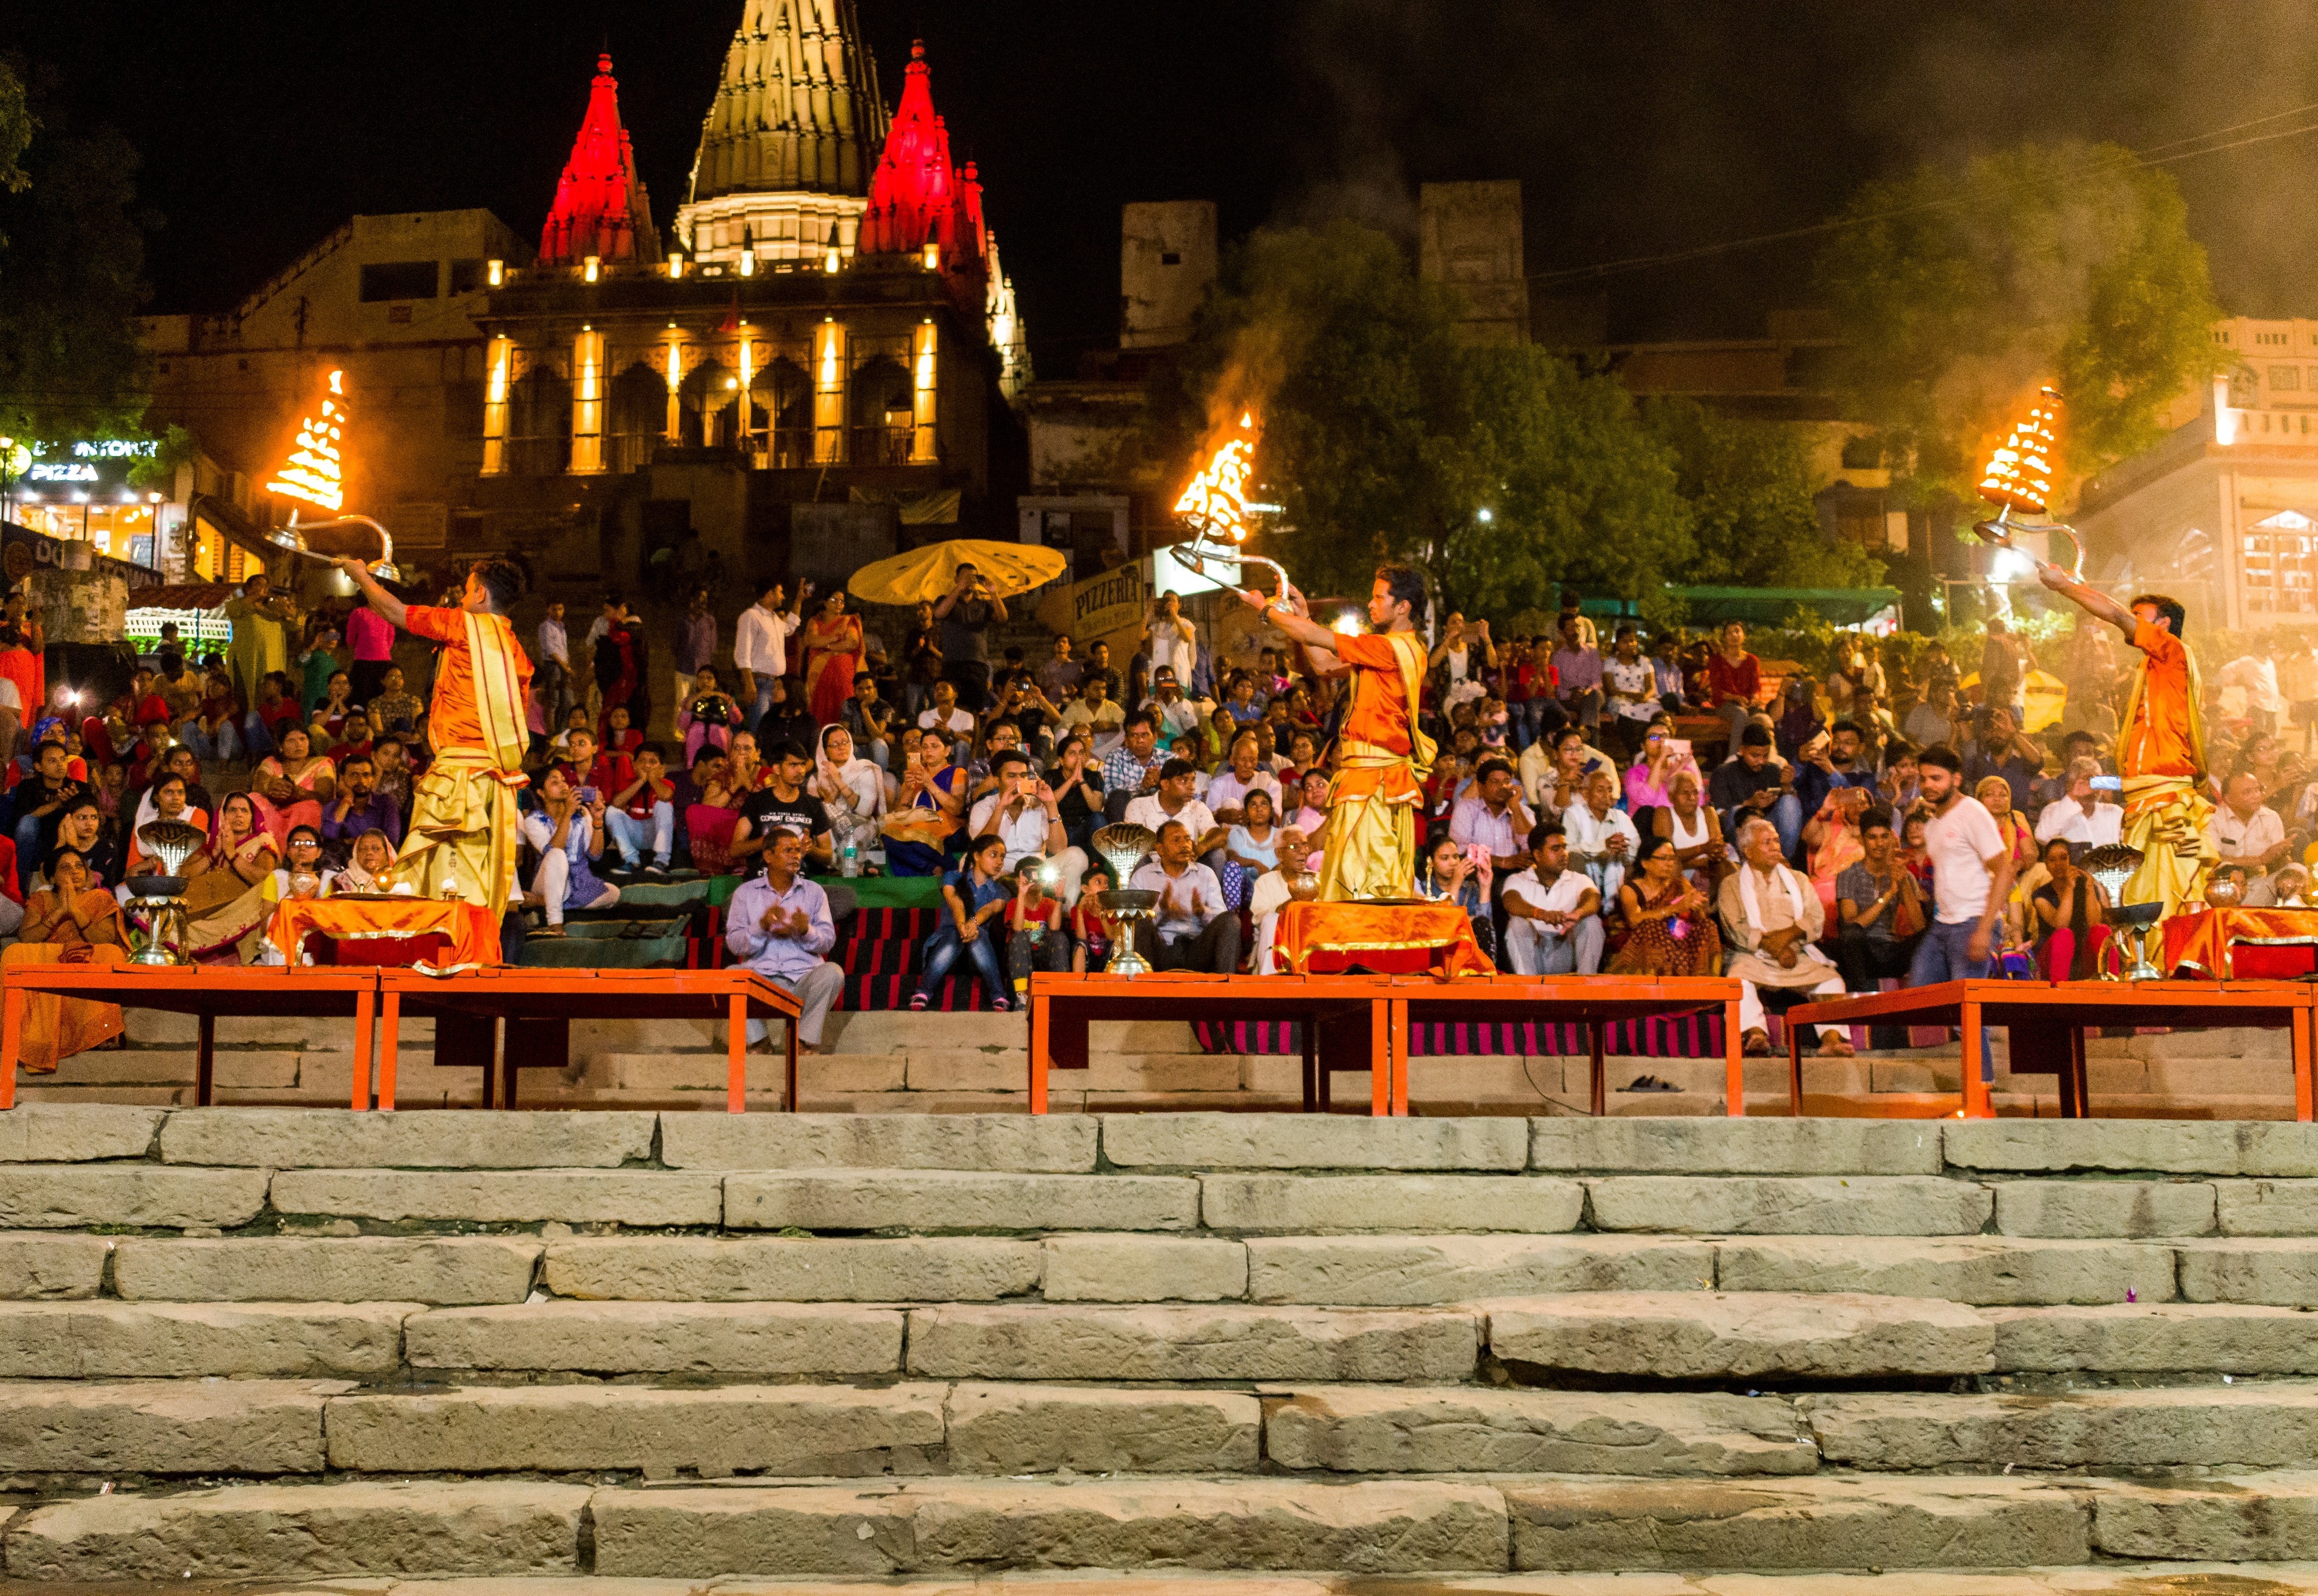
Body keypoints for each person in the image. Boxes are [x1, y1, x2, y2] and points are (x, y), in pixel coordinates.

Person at [337, 555, 534, 915]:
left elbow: (395, 611)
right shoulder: (517, 653)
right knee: (473, 877)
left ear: (481, 595)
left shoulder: (462, 625)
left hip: (457, 779)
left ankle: (451, 945)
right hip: (493, 783)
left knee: (449, 879)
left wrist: (360, 577)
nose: (462, 599)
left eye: (468, 591)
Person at [1237, 563, 1434, 901]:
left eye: (1379, 598)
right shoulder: (1390, 649)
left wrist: (1265, 609)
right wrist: (1301, 615)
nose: (1371, 604)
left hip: (1374, 780)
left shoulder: (1390, 648)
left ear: (1404, 606)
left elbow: (1316, 638)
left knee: (1367, 881)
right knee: (1351, 873)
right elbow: (1324, 665)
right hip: (1363, 775)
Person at [2035, 571, 2212, 919]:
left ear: (2163, 625)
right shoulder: (2151, 673)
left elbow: (2114, 614)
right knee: (2144, 899)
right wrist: (2098, 783)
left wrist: (2064, 586)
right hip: (2145, 800)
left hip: (2166, 803)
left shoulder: (2171, 652)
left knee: (2170, 901)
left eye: (2140, 617)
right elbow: (2131, 778)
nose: (2131, 623)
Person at [1718, 815, 1853, 1058]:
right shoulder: (1731, 884)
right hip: (1753, 957)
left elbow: (1816, 918)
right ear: (1748, 852)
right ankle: (1755, 1034)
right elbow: (1735, 928)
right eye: (1767, 842)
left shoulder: (1799, 879)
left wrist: (1788, 941)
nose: (1775, 847)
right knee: (1738, 983)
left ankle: (1831, 1040)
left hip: (1797, 953)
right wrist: (1776, 948)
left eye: (1776, 841)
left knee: (1832, 981)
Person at [718, 826, 845, 1055]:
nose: (796, 856)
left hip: (803, 979)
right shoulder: (745, 894)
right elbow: (734, 944)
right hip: (762, 981)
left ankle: (803, 1042)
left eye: (798, 850)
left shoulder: (815, 892)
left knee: (833, 973)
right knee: (731, 975)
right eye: (788, 851)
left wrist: (806, 930)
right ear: (768, 856)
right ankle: (759, 1041)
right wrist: (762, 927)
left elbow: (827, 942)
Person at [3, 845, 128, 1072]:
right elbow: (27, 938)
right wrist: (60, 911)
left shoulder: (101, 898)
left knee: (111, 954)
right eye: (65, 868)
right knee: (14, 953)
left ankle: (98, 1033)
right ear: (52, 877)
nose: (74, 872)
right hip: (50, 961)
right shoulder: (42, 898)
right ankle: (25, 1036)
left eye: (79, 866)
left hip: (86, 957)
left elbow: (106, 939)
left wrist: (76, 912)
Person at [1908, 744, 2015, 1003]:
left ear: (1956, 779)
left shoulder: (1972, 813)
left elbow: (2004, 871)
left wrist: (1985, 930)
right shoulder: (1933, 824)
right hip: (1942, 924)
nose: (1928, 785)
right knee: (1920, 999)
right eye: (1923, 779)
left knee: (1968, 1010)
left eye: (1936, 778)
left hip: (1973, 922)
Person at [913, 833, 1015, 1009]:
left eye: (1002, 857)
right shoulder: (953, 877)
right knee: (955, 934)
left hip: (978, 957)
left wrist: (972, 924)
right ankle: (923, 992)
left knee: (978, 934)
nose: (999, 862)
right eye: (993, 855)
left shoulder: (1001, 891)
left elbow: (990, 909)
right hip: (946, 951)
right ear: (977, 856)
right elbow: (955, 901)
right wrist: (962, 925)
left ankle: (998, 996)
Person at [1834, 807, 1926, 997]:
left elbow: (1919, 927)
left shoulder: (1903, 875)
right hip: (1862, 951)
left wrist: (1902, 884)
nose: (1879, 844)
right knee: (1850, 935)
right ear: (1863, 841)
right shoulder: (1849, 875)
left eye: (1884, 837)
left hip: (1890, 951)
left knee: (1932, 934)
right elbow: (1852, 924)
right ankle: (1863, 1000)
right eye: (1873, 838)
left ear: (1891, 839)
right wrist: (1889, 893)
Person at [1128, 818, 1240, 973]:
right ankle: (1142, 984)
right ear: (1160, 849)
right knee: (1138, 921)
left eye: (1187, 839)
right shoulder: (1142, 876)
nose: (1185, 845)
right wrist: (1162, 911)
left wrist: (1201, 912)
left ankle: (1226, 984)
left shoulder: (1206, 873)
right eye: (1176, 840)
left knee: (1230, 921)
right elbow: (1133, 922)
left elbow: (1221, 920)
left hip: (1197, 948)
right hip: (1160, 950)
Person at [180, 791, 282, 958]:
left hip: (240, 910)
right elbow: (184, 875)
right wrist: (215, 853)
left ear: (252, 817)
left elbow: (265, 880)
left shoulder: (262, 843)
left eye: (244, 810)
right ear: (223, 815)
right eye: (233, 810)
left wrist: (232, 854)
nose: (239, 815)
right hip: (207, 908)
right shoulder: (210, 842)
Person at [520, 766, 619, 936]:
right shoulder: (533, 821)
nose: (563, 785)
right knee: (557, 855)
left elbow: (595, 855)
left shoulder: (582, 813)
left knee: (614, 893)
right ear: (541, 793)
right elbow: (554, 850)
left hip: (580, 880)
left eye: (564, 781)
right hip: (548, 880)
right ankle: (555, 924)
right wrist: (567, 813)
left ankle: (542, 901)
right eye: (555, 782)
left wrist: (597, 820)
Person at [1608, 834, 1720, 977]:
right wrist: (1674, 909)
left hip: (1678, 933)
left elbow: (1697, 913)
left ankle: (1705, 981)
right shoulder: (1630, 889)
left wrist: (1696, 908)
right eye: (1663, 858)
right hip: (1643, 940)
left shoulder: (1680, 884)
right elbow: (1634, 920)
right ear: (1645, 863)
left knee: (1708, 926)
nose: (1670, 864)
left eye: (1672, 858)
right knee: (1652, 927)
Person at [1501, 822, 1603, 975]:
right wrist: (1542, 914)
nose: (1564, 854)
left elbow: (1593, 899)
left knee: (1591, 921)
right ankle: (1528, 985)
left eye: (1564, 848)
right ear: (1538, 855)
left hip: (1565, 953)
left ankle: (1586, 983)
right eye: (1556, 849)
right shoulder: (1518, 879)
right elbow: (1511, 901)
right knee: (1517, 923)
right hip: (1535, 953)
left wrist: (1577, 914)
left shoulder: (1578, 879)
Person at [732, 739, 835, 872]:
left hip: (800, 881)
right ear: (777, 769)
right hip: (762, 879)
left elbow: (829, 856)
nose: (800, 770)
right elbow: (735, 850)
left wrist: (811, 849)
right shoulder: (756, 801)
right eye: (793, 765)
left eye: (802, 764)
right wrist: (765, 841)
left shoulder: (813, 805)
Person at [883, 725, 968, 876]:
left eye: (935, 746)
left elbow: (957, 809)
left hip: (949, 829)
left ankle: (951, 867)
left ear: (947, 751)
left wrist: (929, 783)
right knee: (888, 834)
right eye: (925, 747)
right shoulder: (916, 773)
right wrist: (909, 789)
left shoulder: (957, 772)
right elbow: (902, 813)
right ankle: (932, 868)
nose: (929, 751)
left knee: (918, 839)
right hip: (918, 826)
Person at [1708, 724, 1800, 861]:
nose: (1761, 761)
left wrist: (1786, 785)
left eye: (1765, 756)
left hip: (1769, 827)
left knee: (1790, 801)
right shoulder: (1724, 773)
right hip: (1738, 830)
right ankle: (1749, 858)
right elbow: (1720, 815)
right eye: (1755, 756)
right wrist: (1750, 804)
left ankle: (1782, 859)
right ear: (1742, 750)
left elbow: (1791, 811)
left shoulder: (1773, 770)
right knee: (1737, 811)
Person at [2031, 834, 2111, 981]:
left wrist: (2089, 887)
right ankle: (2059, 990)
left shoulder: (2087, 888)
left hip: (2083, 958)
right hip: (2051, 959)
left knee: (2102, 931)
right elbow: (2060, 924)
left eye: (2064, 858)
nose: (2059, 864)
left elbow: (2094, 923)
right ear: (2046, 865)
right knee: (2064, 935)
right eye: (2052, 860)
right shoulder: (2041, 895)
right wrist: (2070, 887)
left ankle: (2114, 986)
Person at [734, 579, 805, 738]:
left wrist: (799, 600)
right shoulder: (751, 616)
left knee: (776, 732)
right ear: (769, 593)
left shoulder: (774, 619)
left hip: (777, 685)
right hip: (760, 684)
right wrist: (749, 684)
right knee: (761, 731)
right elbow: (742, 652)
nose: (783, 596)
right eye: (780, 592)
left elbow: (790, 627)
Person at [1247, 825, 1321, 974]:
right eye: (1294, 846)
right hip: (1277, 948)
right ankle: (1271, 977)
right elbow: (1260, 920)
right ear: (1279, 854)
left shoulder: (1318, 879)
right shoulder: (1265, 882)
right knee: (1271, 919)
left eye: (1305, 845)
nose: (1303, 851)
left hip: (1311, 947)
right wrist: (1291, 905)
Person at [934, 563, 1007, 711]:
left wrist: (993, 593)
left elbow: (1003, 618)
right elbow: (939, 613)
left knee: (976, 708)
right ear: (956, 579)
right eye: (966, 577)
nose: (970, 580)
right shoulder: (947, 600)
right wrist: (958, 589)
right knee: (951, 706)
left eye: (974, 577)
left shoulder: (983, 604)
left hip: (977, 664)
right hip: (953, 663)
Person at [222, 571, 297, 716]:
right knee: (247, 699)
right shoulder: (239, 606)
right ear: (248, 589)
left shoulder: (274, 610)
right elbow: (233, 610)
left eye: (266, 585)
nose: (263, 587)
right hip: (248, 663)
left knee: (271, 700)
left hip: (272, 664)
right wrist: (255, 597)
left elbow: (293, 628)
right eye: (258, 584)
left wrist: (290, 614)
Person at [1564, 766, 1639, 905]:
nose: (1607, 795)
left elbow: (1634, 851)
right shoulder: (1573, 814)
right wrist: (1603, 846)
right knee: (1575, 859)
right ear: (1586, 794)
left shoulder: (1621, 817)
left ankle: (1617, 905)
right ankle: (1586, 904)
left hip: (1616, 871)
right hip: (1584, 874)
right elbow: (1567, 849)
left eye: (1610, 790)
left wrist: (1623, 850)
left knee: (1633, 865)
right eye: (1600, 790)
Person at [813, 723, 887, 866]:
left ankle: (838, 862)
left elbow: (866, 811)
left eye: (845, 742)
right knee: (822, 812)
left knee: (857, 833)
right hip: (831, 830)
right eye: (835, 744)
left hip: (861, 827)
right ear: (825, 751)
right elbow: (819, 816)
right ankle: (853, 863)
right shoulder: (817, 779)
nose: (842, 747)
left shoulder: (865, 770)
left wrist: (838, 781)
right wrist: (832, 797)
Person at [1122, 759, 1223, 860]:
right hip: (1150, 865)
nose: (1192, 787)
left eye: (1193, 780)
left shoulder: (1197, 807)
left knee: (1218, 854)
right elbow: (1133, 841)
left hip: (1189, 867)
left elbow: (1219, 835)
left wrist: (1201, 848)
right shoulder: (1139, 805)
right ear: (1165, 784)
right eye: (1184, 781)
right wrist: (1176, 849)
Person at [605, 745, 677, 875]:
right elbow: (616, 803)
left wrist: (653, 779)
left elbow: (666, 796)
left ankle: (661, 862)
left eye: (653, 762)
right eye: (642, 761)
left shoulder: (666, 784)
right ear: (634, 765)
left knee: (664, 805)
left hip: (656, 834)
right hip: (634, 833)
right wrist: (642, 780)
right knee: (611, 811)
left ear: (662, 768)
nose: (647, 766)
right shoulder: (628, 783)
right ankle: (631, 860)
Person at [798, 588, 865, 726]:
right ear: (825, 602)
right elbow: (810, 640)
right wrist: (835, 638)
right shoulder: (815, 621)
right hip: (819, 672)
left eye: (842, 601)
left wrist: (826, 646)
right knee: (820, 707)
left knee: (843, 707)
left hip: (843, 673)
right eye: (834, 600)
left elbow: (852, 643)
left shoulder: (848, 621)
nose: (839, 604)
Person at [2033, 756, 2123, 855]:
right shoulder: (2054, 809)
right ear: (2069, 785)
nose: (2091, 787)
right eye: (2086, 781)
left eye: (2096, 780)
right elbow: (2042, 837)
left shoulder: (2115, 812)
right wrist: (2073, 796)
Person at [320, 752, 402, 858]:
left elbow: (392, 840)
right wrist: (348, 799)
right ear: (343, 778)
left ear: (372, 778)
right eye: (354, 775)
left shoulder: (386, 803)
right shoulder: (334, 806)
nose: (361, 781)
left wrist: (349, 842)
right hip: (346, 861)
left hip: (380, 861)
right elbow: (328, 837)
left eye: (366, 775)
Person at [1003, 860, 1070, 991]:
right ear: (1018, 880)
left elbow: (1055, 928)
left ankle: (1061, 989)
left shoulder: (1049, 903)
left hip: (1044, 954)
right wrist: (1022, 894)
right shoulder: (1014, 903)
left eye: (1039, 873)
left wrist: (1059, 898)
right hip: (1019, 957)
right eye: (1030, 874)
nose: (1035, 878)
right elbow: (1017, 928)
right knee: (1020, 937)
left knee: (1060, 937)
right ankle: (1021, 993)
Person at [2215, 771, 2291, 872]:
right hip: (2225, 878)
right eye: (2248, 792)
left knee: (2297, 869)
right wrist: (2259, 860)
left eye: (2258, 790)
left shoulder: (2271, 817)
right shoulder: (2213, 818)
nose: (2257, 796)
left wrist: (2281, 852)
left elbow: (2276, 858)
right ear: (2229, 799)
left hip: (2263, 877)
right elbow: (2214, 858)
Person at [1706, 621, 1763, 754]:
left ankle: (1764, 759)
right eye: (1729, 633)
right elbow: (1717, 691)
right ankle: (1733, 757)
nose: (1734, 635)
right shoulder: (1716, 660)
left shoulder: (1752, 660)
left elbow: (1756, 687)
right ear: (1724, 638)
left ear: (1744, 636)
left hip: (1747, 704)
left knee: (1764, 719)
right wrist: (1737, 698)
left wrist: (1754, 698)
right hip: (1725, 705)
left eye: (1737, 631)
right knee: (1741, 714)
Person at [345, 588, 396, 705]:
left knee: (382, 693)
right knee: (363, 694)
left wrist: (382, 650)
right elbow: (350, 638)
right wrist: (357, 654)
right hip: (363, 660)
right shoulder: (359, 613)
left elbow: (390, 636)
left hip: (383, 660)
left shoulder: (386, 613)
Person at [839, 672, 894, 773]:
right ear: (855, 691)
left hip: (874, 749)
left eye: (869, 688)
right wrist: (880, 736)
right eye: (860, 689)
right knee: (851, 747)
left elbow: (877, 737)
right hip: (856, 747)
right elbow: (845, 736)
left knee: (879, 743)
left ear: (875, 690)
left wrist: (865, 709)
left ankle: (879, 776)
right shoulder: (849, 704)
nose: (865, 692)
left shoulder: (884, 706)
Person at [1144, 592, 1198, 692]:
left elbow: (1187, 638)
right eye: (1166, 600)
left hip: (1179, 676)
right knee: (1159, 702)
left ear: (1179, 605)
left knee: (1179, 701)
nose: (1169, 603)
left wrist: (1174, 615)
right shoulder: (1157, 627)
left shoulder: (1186, 623)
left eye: (1173, 600)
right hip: (1159, 677)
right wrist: (1147, 612)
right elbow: (1141, 637)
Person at [332, 828, 407, 895]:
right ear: (356, 854)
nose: (369, 852)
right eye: (363, 849)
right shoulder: (342, 882)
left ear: (387, 855)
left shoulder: (400, 881)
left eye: (376, 849)